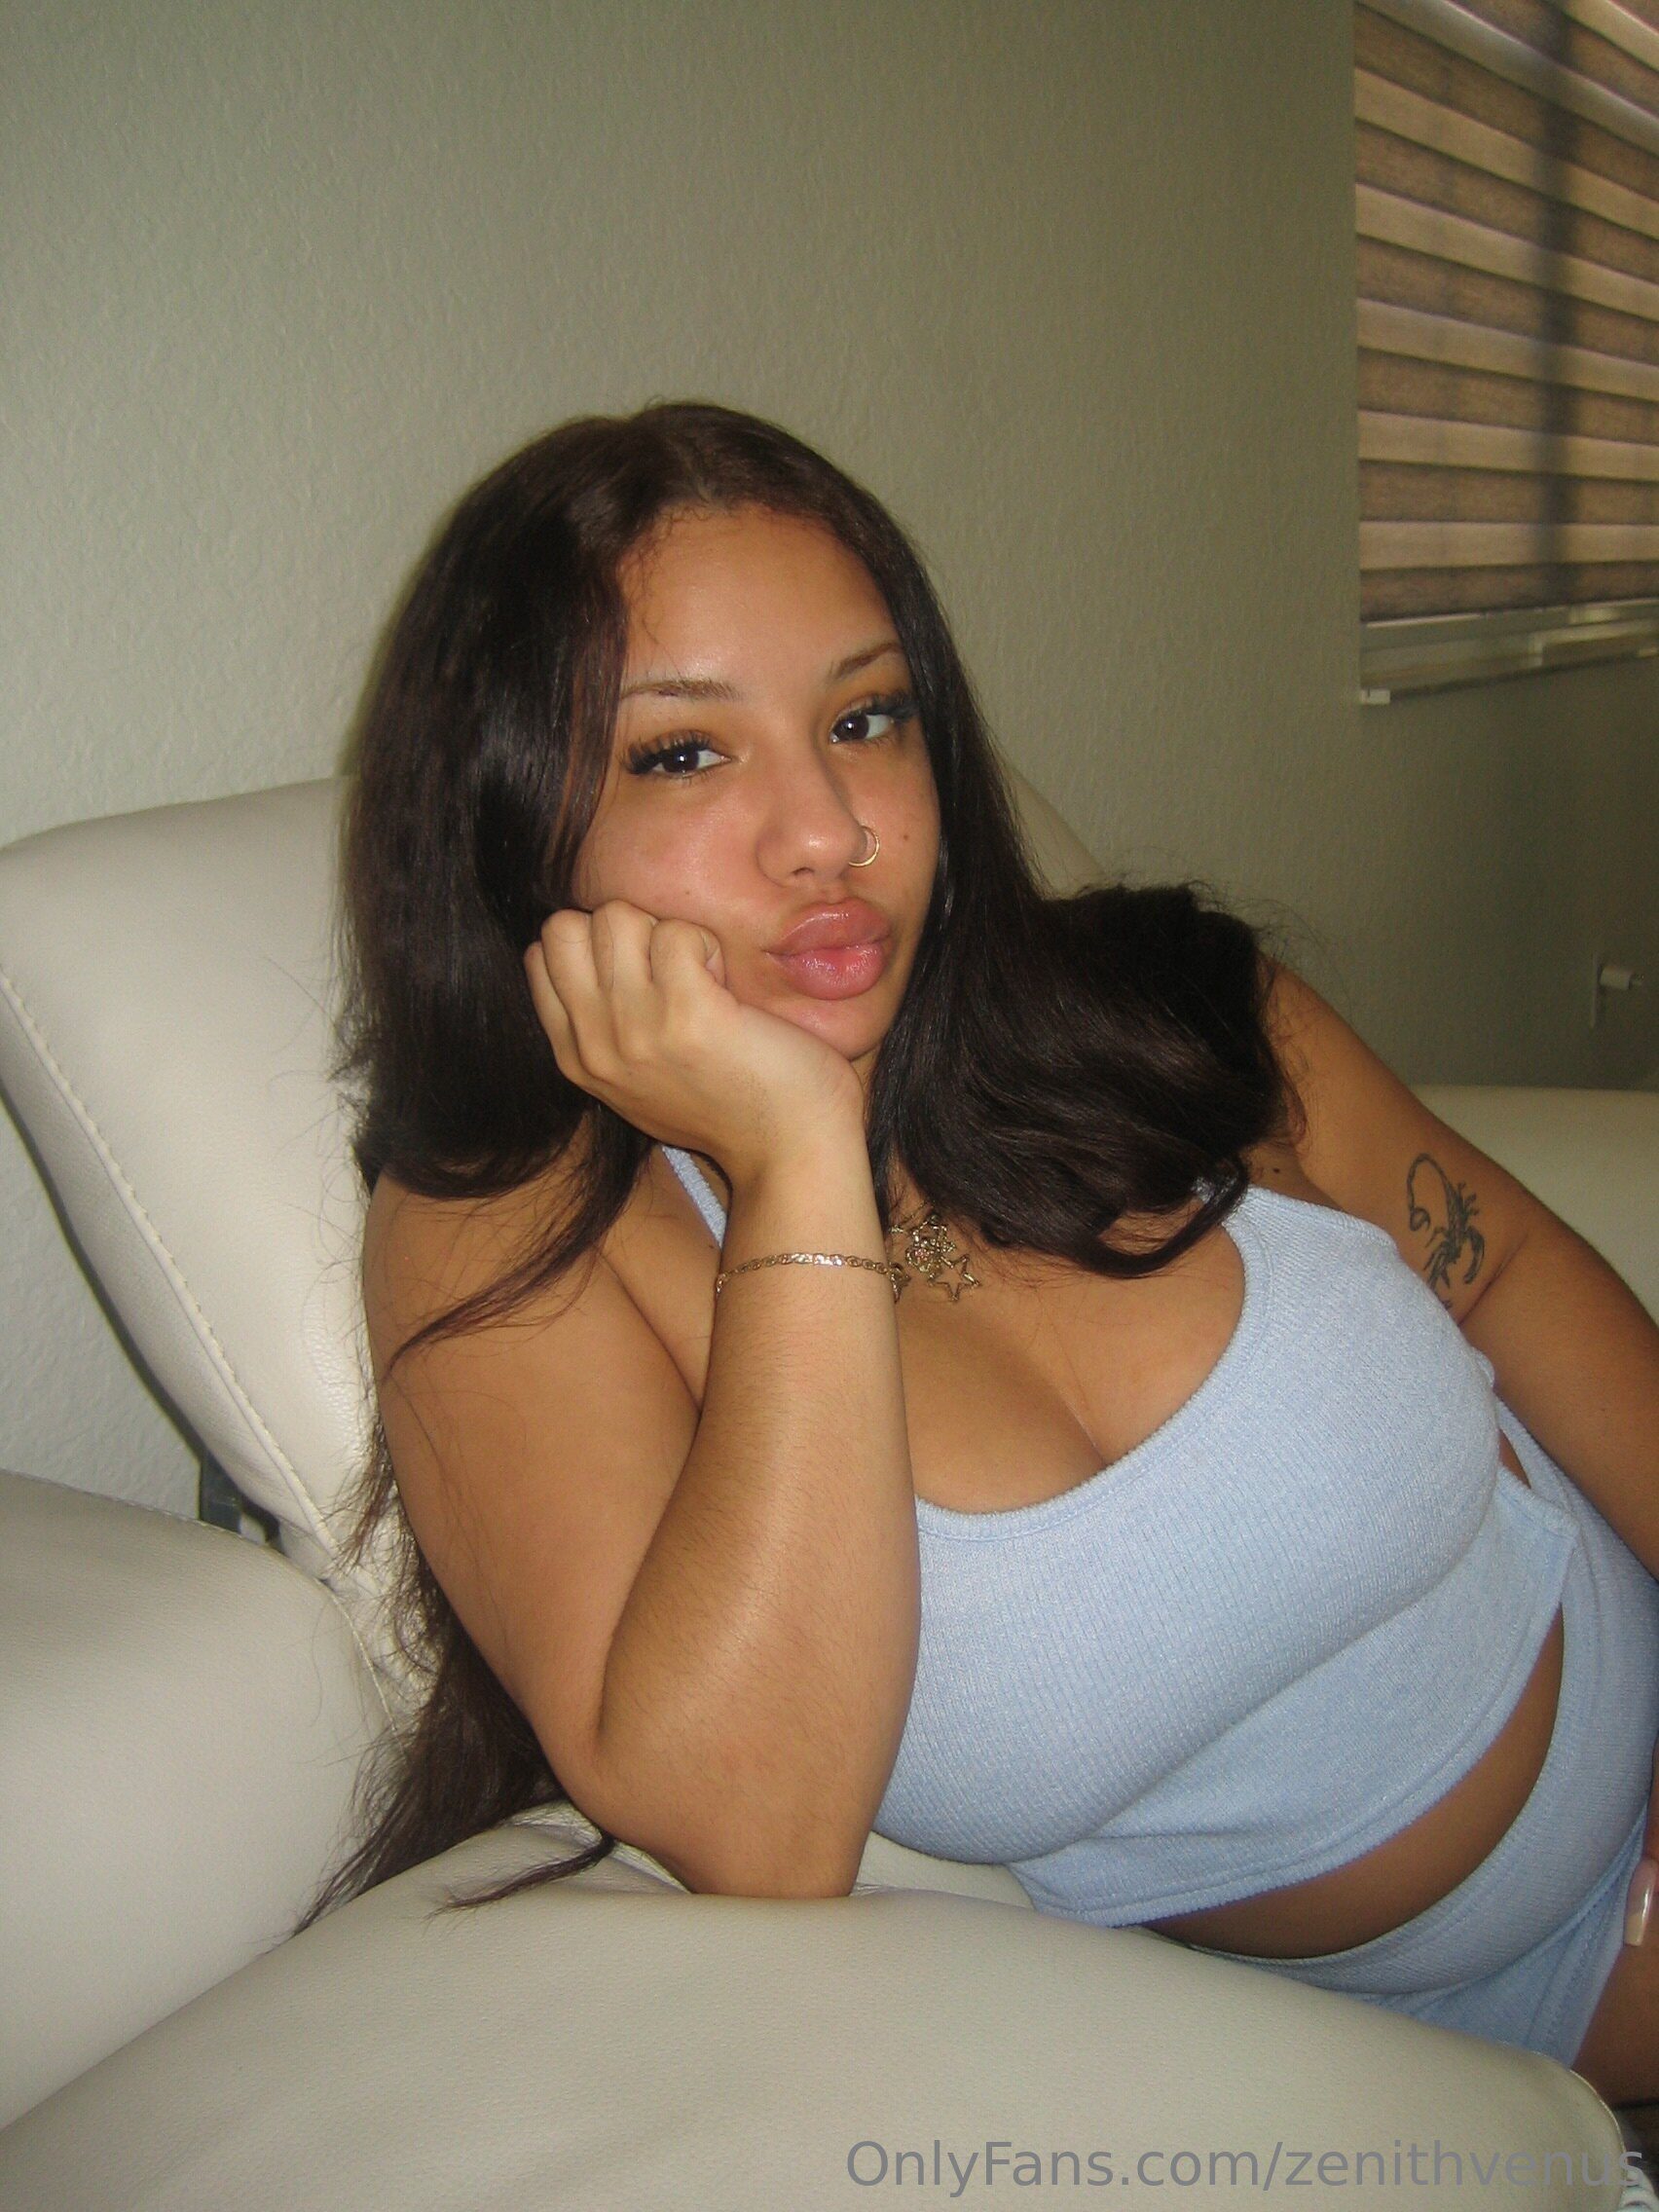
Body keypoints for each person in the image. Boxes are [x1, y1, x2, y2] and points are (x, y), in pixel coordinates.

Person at [301, 399, 1659, 2103]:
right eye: (683, 754)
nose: (829, 832)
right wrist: (797, 1161)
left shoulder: (1156, 1002)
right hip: (1436, 2042)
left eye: (864, 718)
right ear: (511, 819)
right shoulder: (508, 1240)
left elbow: (1505, 1269)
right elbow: (757, 1824)